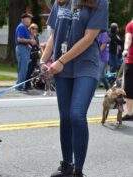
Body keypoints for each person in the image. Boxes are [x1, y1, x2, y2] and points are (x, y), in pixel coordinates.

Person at [41, 0, 108, 176]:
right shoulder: (60, 2)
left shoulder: (100, 2)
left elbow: (89, 38)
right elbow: (54, 35)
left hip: (86, 65)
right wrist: (43, 60)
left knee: (77, 115)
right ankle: (67, 166)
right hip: (62, 67)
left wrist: (61, 61)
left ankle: (78, 171)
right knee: (65, 117)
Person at [15, 13, 35, 91]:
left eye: (30, 19)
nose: (29, 20)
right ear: (23, 19)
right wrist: (30, 41)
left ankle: (20, 85)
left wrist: (29, 43)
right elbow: (19, 39)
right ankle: (19, 86)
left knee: (23, 68)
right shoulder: (22, 27)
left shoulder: (25, 28)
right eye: (28, 19)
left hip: (24, 48)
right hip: (21, 48)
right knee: (23, 68)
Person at [122, 18, 133, 121]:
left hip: (131, 61)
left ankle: (129, 113)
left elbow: (128, 39)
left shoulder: (130, 25)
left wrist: (125, 49)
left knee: (129, 87)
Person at [26, 23, 41, 89]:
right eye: (33, 28)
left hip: (35, 55)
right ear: (30, 29)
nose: (35, 30)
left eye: (36, 29)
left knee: (32, 70)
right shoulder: (28, 36)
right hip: (29, 55)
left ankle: (29, 83)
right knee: (28, 70)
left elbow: (37, 46)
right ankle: (26, 84)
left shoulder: (36, 37)